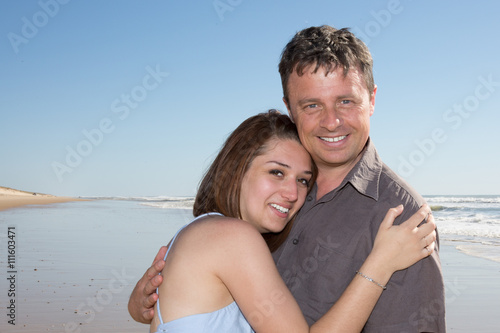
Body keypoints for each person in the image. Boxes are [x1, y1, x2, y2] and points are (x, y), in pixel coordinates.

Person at [130, 26, 446, 332]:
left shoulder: (402, 219)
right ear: (290, 109)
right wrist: (148, 298)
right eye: (312, 105)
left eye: (346, 101)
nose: (332, 121)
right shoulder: (261, 213)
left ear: (372, 99)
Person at [147, 110, 436, 333]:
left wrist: (139, 306)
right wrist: (380, 264)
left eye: (302, 180)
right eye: (276, 172)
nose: (292, 193)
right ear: (236, 169)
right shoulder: (232, 238)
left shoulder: (199, 231)